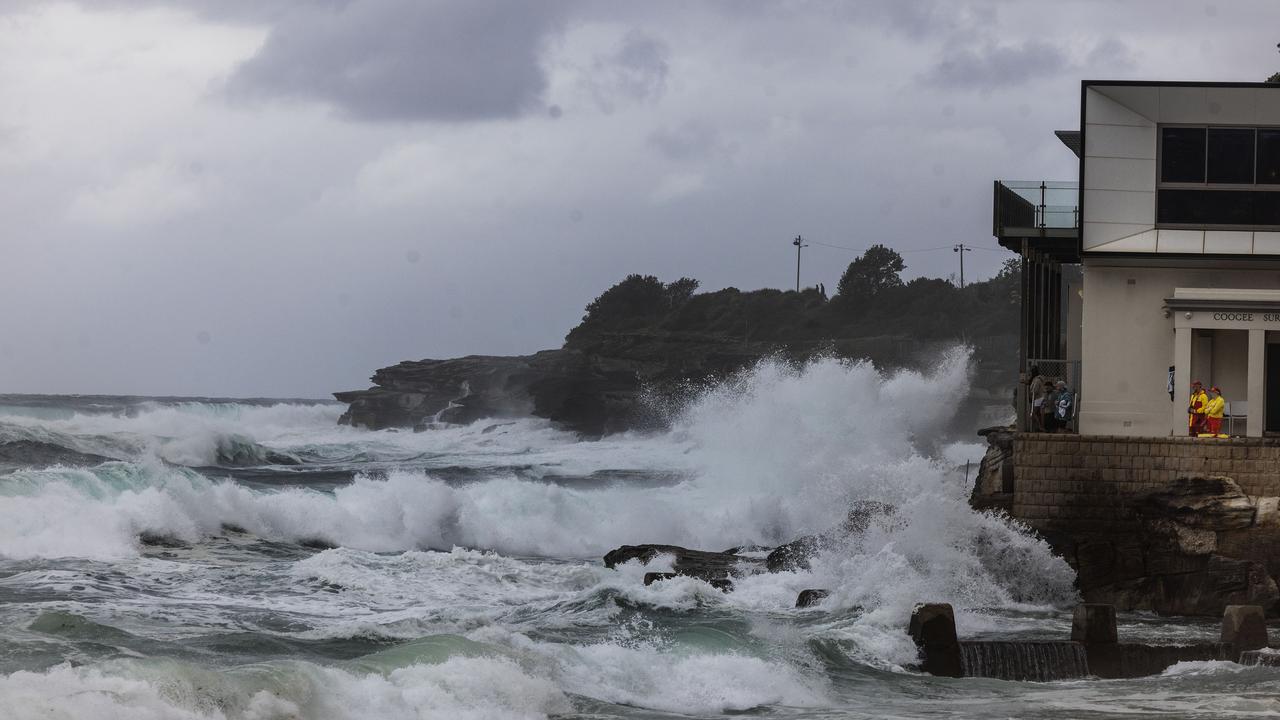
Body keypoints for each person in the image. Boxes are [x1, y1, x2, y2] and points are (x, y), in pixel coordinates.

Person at [1027, 364, 1045, 432]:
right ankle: (1039, 426)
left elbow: (1035, 390)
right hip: (1039, 398)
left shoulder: (1037, 380)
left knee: (1033, 413)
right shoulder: (1037, 379)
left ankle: (1040, 426)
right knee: (1037, 414)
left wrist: (1030, 393)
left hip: (1038, 398)